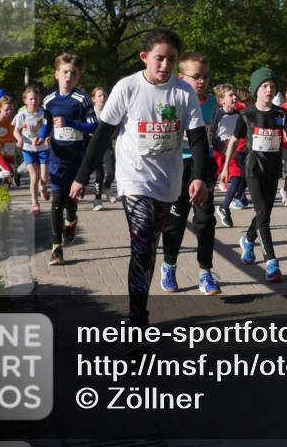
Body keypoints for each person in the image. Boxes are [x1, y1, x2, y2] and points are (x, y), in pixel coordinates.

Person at [71, 28, 209, 327]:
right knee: (143, 236)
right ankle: (136, 320)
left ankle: (140, 307)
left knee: (147, 249)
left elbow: (198, 138)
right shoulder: (127, 87)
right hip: (134, 177)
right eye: (159, 59)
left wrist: (200, 177)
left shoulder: (183, 92)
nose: (165, 66)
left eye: (171, 60)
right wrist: (81, 177)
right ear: (145, 57)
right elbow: (103, 134)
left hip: (167, 181)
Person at [218, 67, 287, 283]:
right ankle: (272, 262)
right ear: (256, 89)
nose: (269, 89)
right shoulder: (246, 115)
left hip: (273, 171)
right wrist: (226, 167)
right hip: (253, 170)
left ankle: (247, 240)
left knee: (264, 213)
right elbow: (235, 141)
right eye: (264, 86)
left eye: (272, 86)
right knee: (263, 213)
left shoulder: (280, 114)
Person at [159, 54, 220, 296]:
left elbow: (215, 135)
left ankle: (205, 272)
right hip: (178, 166)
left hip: (203, 167)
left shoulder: (213, 103)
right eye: (196, 77)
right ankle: (169, 266)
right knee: (175, 222)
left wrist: (222, 145)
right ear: (181, 77)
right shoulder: (171, 101)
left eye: (205, 76)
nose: (202, 81)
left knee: (205, 221)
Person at [41, 54, 97, 265]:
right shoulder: (48, 100)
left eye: (73, 73)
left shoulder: (82, 99)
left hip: (76, 158)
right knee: (57, 200)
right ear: (57, 74)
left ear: (78, 78)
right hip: (57, 157)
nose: (68, 76)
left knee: (70, 200)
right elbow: (48, 122)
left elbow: (93, 126)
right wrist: (43, 134)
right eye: (65, 72)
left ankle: (71, 219)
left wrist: (71, 123)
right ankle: (56, 248)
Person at [213, 83, 248, 226]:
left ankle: (224, 207)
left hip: (231, 152)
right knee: (209, 184)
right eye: (230, 95)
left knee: (239, 176)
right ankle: (208, 209)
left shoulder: (240, 115)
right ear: (222, 100)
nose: (235, 97)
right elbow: (211, 134)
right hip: (216, 152)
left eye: (235, 94)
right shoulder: (217, 115)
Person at [12, 86, 50, 213]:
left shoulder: (43, 113)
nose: (33, 101)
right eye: (31, 99)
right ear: (25, 100)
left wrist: (48, 137)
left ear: (39, 100)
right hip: (28, 149)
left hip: (43, 148)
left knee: (44, 177)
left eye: (36, 98)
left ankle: (43, 189)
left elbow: (49, 128)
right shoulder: (21, 115)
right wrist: (19, 139)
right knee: (34, 177)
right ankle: (35, 202)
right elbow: (16, 131)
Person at [89, 87, 117, 210]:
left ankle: (107, 186)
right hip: (93, 146)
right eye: (99, 96)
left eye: (105, 96)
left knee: (111, 171)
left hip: (106, 145)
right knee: (99, 174)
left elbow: (116, 128)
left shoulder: (110, 112)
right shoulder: (90, 113)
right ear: (93, 99)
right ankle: (97, 199)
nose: (103, 98)